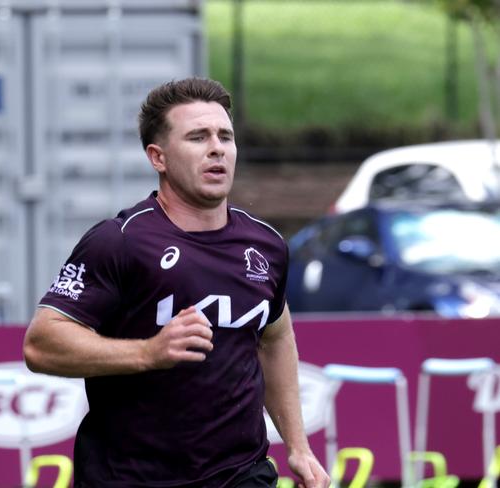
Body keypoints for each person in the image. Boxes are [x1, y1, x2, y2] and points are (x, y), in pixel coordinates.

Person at [23, 77, 330, 488]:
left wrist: (298, 445)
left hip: (242, 475)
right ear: (158, 157)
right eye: (198, 137)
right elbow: (41, 344)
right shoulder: (120, 241)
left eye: (225, 136)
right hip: (131, 478)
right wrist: (149, 352)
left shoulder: (266, 245)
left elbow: (274, 338)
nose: (217, 148)